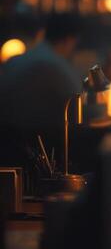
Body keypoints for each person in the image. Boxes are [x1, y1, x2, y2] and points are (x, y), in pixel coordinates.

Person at [0, 13, 82, 166]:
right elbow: (79, 102)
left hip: (8, 140)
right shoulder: (53, 64)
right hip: (32, 146)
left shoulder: (20, 59)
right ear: (69, 40)